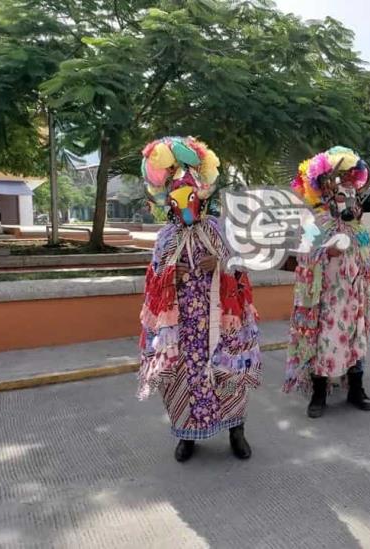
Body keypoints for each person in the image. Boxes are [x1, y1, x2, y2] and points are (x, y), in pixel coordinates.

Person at [137, 137, 262, 462]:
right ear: (168, 200)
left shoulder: (219, 231)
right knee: (181, 378)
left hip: (221, 324)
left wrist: (219, 265)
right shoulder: (165, 237)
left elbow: (240, 271)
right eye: (178, 196)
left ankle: (237, 431)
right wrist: (169, 276)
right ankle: (186, 435)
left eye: (190, 193)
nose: (185, 202)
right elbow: (153, 280)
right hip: (183, 329)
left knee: (229, 376)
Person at [284, 146, 370, 418]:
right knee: (324, 343)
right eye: (340, 194)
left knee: (356, 341)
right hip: (326, 298)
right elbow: (303, 256)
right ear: (327, 194)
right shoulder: (317, 222)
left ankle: (356, 389)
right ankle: (319, 393)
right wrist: (326, 253)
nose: (346, 199)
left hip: (354, 297)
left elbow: (365, 256)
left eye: (351, 194)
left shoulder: (359, 226)